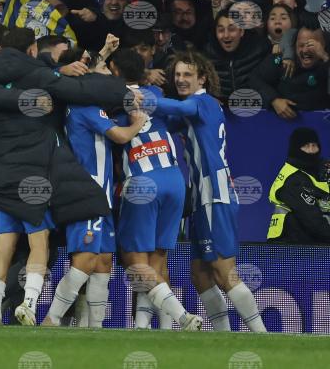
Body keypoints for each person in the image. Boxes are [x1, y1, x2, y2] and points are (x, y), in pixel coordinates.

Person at [0, 27, 139, 326]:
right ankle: (29, 304)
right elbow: (82, 88)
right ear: (32, 51)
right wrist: (125, 91)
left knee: (3, 245)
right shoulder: (43, 78)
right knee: (39, 243)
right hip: (34, 172)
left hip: (0, 173)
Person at [152, 51, 267, 332]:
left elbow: (171, 108)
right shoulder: (192, 110)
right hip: (201, 199)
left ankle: (262, 335)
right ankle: (222, 336)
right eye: (177, 75)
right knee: (200, 275)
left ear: (202, 79)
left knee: (224, 273)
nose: (180, 79)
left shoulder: (202, 102)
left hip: (215, 195)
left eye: (187, 75)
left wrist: (139, 96)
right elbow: (162, 122)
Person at [43, 50, 148, 329]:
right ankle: (52, 320)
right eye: (103, 72)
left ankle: (96, 328)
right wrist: (137, 123)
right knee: (86, 260)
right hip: (88, 192)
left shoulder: (88, 107)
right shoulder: (86, 107)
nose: (109, 77)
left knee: (103, 262)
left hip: (101, 195)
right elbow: (121, 136)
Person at [104, 49, 199, 330]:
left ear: (116, 73)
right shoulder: (155, 95)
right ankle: (153, 330)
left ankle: (183, 317)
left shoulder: (110, 103)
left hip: (143, 183)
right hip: (175, 181)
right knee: (157, 264)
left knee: (136, 264)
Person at [249, 26, 330, 119]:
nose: (305, 50)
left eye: (311, 46)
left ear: (323, 45)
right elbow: (254, 77)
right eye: (301, 45)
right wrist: (273, 99)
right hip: (284, 121)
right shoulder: (284, 61)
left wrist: (326, 59)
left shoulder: (326, 62)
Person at [267, 127, 330, 244]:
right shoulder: (293, 179)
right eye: (305, 146)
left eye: (314, 145)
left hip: (310, 244)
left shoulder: (314, 172)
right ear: (295, 148)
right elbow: (313, 221)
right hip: (290, 248)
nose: (311, 151)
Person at [202, 9, 270, 101]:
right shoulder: (207, 54)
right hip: (221, 108)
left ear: (242, 31)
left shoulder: (260, 49)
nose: (226, 35)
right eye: (221, 30)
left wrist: (273, 99)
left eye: (231, 29)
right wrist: (207, 98)